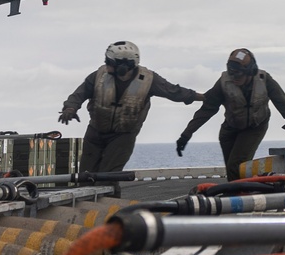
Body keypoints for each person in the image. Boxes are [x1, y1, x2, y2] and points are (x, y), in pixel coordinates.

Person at [60, 40, 203, 175]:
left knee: (108, 176)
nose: (106, 64)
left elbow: (174, 92)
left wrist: (203, 97)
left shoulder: (148, 80)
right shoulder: (99, 76)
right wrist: (70, 109)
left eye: (110, 62)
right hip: (95, 133)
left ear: (124, 66)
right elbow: (78, 94)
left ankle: (111, 201)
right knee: (85, 176)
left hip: (123, 136)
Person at [176, 47, 285, 179]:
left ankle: (242, 198)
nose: (234, 78)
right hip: (229, 130)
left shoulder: (265, 80)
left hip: (254, 128)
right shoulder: (223, 82)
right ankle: (237, 199)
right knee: (232, 172)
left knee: (237, 167)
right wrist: (186, 135)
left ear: (250, 71)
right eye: (231, 73)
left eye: (238, 73)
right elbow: (206, 110)